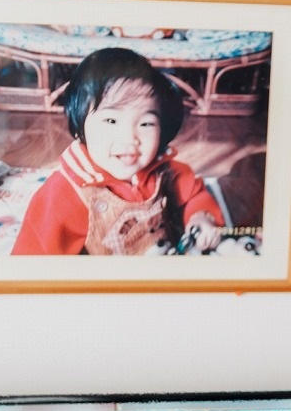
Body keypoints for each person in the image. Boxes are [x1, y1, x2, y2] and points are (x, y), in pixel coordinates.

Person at [11, 47, 224, 256]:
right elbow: (33, 260)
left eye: (146, 123)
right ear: (80, 127)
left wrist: (200, 217)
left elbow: (194, 194)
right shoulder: (64, 193)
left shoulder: (164, 170)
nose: (130, 138)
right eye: (111, 120)